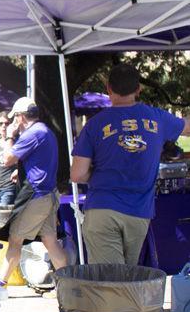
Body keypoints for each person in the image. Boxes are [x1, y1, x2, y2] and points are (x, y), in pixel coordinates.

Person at [70, 64, 190, 265]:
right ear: (138, 89)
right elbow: (187, 127)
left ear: (108, 88)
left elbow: (77, 174)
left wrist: (101, 174)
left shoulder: (95, 124)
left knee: (111, 281)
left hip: (102, 208)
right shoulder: (157, 118)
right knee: (127, 278)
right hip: (139, 212)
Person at [0, 97, 68, 284]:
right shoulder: (45, 131)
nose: (14, 123)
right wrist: (20, 172)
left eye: (15, 119)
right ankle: (68, 285)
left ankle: (0, 284)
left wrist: (9, 136)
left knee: (15, 240)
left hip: (36, 197)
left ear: (20, 117)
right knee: (51, 241)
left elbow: (7, 159)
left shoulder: (32, 133)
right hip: (49, 194)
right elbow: (39, 162)